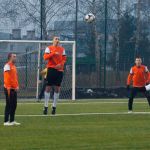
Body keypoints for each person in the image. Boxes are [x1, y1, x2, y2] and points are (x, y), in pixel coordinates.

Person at [43, 36, 67, 115]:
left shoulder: (62, 49)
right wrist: (53, 53)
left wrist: (61, 64)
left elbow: (64, 59)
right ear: (53, 40)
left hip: (59, 70)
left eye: (58, 39)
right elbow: (45, 57)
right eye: (56, 39)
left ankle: (54, 107)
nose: (57, 40)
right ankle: (45, 106)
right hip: (51, 69)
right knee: (48, 88)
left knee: (57, 88)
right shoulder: (49, 48)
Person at [3, 53, 20, 126]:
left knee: (14, 104)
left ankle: (12, 120)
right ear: (10, 57)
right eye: (14, 56)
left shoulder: (14, 66)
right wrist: (8, 87)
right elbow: (7, 77)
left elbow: (15, 78)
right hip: (8, 88)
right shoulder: (7, 66)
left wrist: (17, 86)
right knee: (9, 104)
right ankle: (6, 121)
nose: (15, 58)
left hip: (14, 88)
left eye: (15, 56)